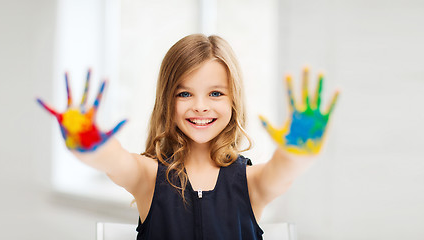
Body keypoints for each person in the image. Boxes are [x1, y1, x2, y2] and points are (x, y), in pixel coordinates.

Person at [37, 34, 339, 240]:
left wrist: (298, 149)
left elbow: (285, 170)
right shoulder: (147, 176)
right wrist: (88, 142)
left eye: (215, 93)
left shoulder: (252, 183)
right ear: (167, 100)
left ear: (234, 101)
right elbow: (112, 159)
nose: (200, 106)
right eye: (185, 93)